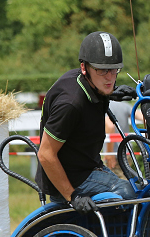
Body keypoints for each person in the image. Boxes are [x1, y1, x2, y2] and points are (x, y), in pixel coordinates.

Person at [36, 31, 137, 213]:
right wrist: (72, 196)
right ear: (84, 68)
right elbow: (45, 154)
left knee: (142, 186)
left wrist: (113, 93)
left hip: (88, 167)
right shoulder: (70, 103)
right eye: (102, 70)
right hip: (70, 179)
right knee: (128, 192)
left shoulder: (91, 84)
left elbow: (92, 95)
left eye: (114, 69)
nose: (109, 77)